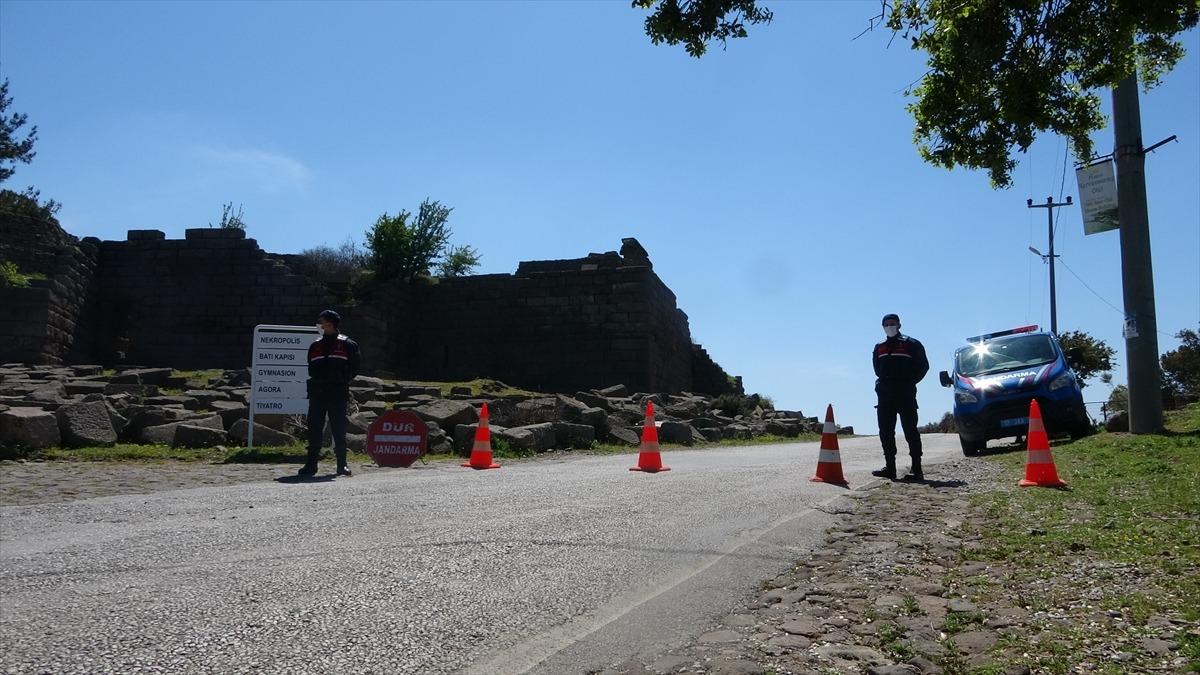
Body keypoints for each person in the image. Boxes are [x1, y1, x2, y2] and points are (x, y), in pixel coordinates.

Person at [299, 309, 361, 477]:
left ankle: (342, 465)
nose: (319, 325)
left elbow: (354, 368)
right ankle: (311, 465)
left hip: (337, 393)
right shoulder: (315, 345)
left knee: (339, 429)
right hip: (318, 393)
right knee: (314, 428)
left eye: (322, 322)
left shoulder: (348, 344)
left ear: (330, 324)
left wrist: (341, 381)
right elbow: (311, 368)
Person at [871, 313, 929, 481]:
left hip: (906, 394)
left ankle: (917, 469)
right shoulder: (879, 347)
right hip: (885, 396)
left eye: (893, 323)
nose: (890, 326)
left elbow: (924, 367)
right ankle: (890, 468)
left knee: (910, 430)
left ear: (899, 325)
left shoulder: (912, 344)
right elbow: (877, 369)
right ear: (883, 327)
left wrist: (909, 382)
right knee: (885, 432)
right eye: (886, 324)